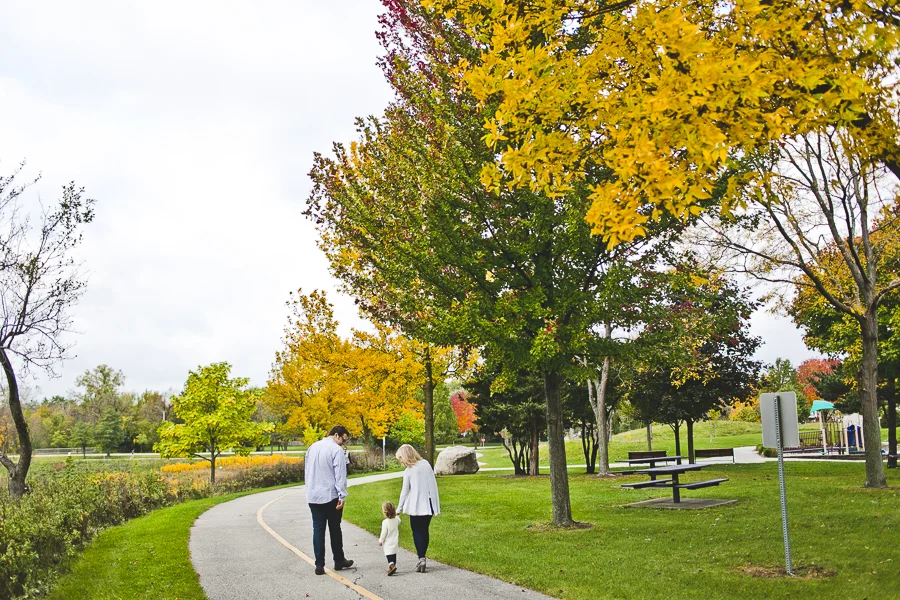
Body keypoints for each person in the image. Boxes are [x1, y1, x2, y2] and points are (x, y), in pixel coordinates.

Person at [304, 425, 354, 575]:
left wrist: (309, 489)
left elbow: (307, 471)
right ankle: (339, 560)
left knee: (318, 530)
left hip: (313, 495)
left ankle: (319, 564)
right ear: (337, 435)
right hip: (330, 495)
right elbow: (340, 476)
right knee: (335, 529)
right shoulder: (336, 450)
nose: (344, 444)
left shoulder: (312, 447)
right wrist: (342, 496)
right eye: (343, 440)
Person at [395, 444, 440, 573]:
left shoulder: (409, 471)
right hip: (430, 504)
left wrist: (399, 508)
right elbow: (432, 484)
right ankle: (422, 557)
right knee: (424, 530)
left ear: (405, 456)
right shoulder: (426, 464)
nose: (401, 462)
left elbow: (404, 492)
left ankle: (421, 558)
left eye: (401, 458)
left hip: (417, 505)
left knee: (417, 531)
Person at [378, 501, 401, 576]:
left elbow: (384, 533)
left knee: (388, 554)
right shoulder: (396, 520)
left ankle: (392, 565)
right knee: (394, 554)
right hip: (395, 541)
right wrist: (397, 515)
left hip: (388, 542)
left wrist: (381, 540)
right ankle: (392, 566)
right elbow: (399, 520)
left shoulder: (385, 522)